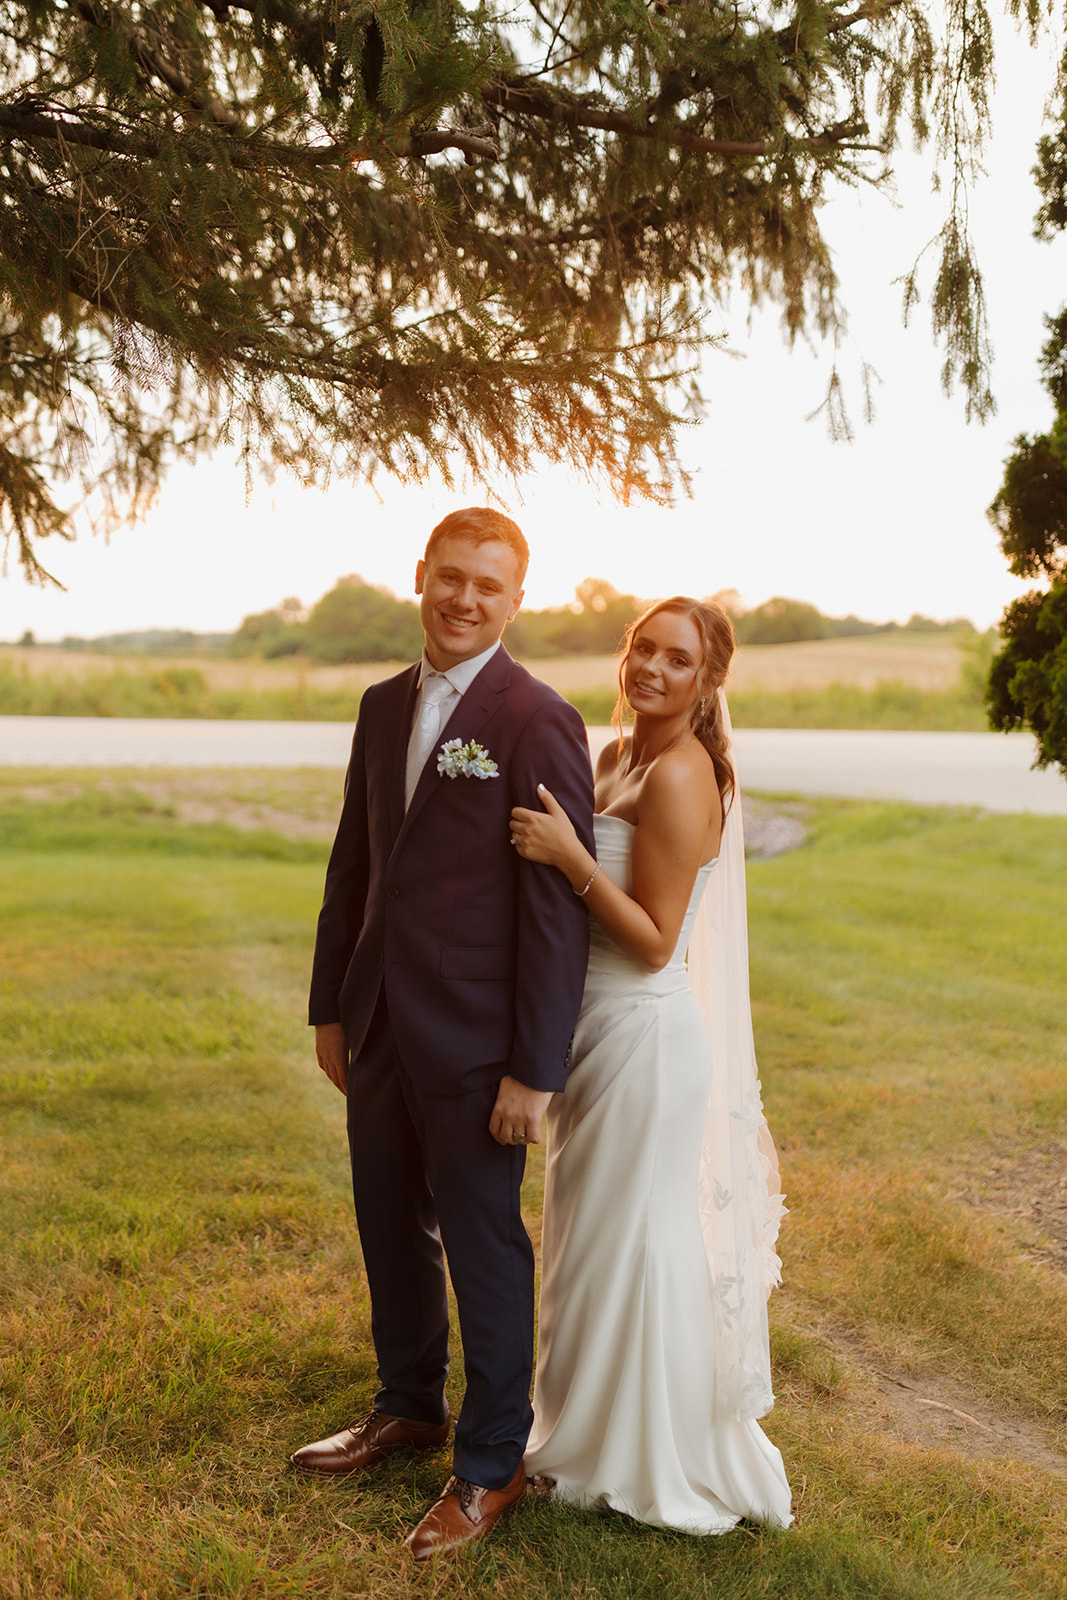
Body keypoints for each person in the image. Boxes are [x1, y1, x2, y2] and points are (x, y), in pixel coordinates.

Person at [293, 508, 595, 1560]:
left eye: (489, 586)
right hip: (376, 1023)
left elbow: (555, 910)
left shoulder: (536, 718)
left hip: (476, 1044)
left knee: (484, 1247)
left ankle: (488, 1461)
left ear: (516, 601)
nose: (465, 598)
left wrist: (532, 1067)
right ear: (420, 576)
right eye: (451, 577)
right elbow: (353, 864)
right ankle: (408, 1400)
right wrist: (331, 1003)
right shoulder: (381, 706)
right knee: (388, 1223)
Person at [509, 596, 793, 1534]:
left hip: (644, 1035)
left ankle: (646, 1453)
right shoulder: (613, 756)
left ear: (707, 681)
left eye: (676, 659)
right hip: (590, 1032)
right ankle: (577, 1430)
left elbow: (655, 944)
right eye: (641, 649)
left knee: (638, 1243)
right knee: (588, 1239)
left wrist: (567, 858)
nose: (651, 670)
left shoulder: (681, 775)